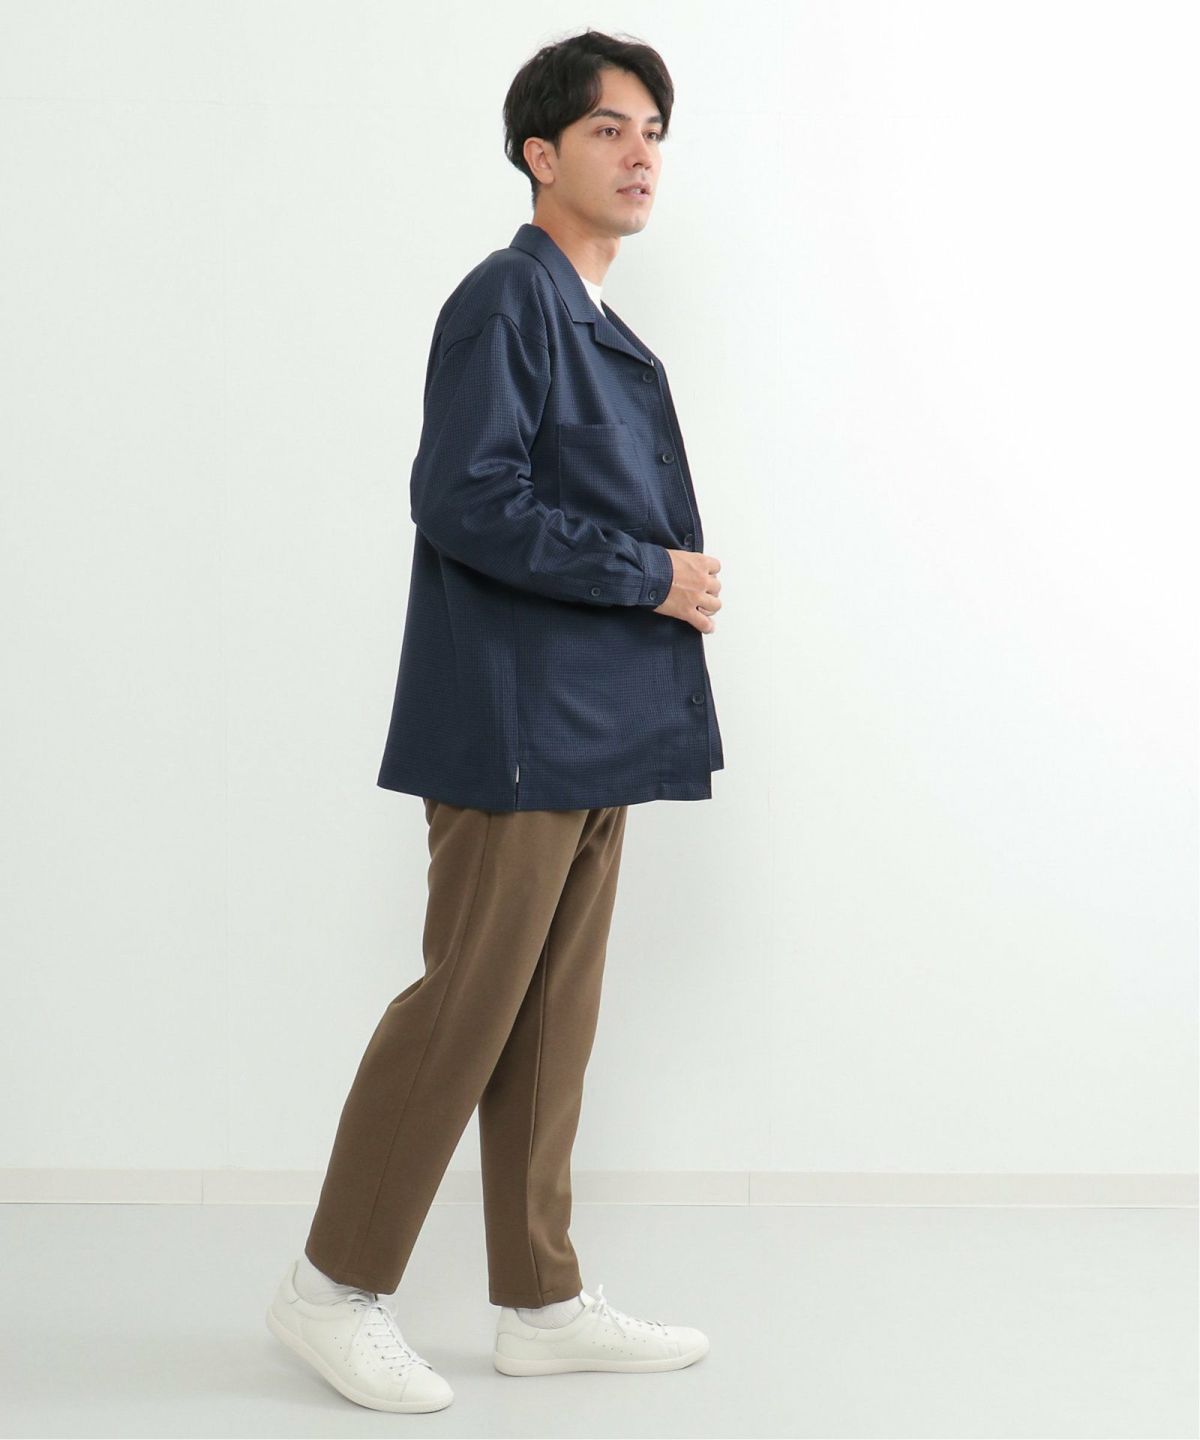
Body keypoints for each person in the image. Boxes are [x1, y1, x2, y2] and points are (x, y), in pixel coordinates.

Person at [266, 27, 723, 1414]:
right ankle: (331, 1290)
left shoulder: (598, 326)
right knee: (464, 1010)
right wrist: (650, 574)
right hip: (518, 728)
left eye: (653, 131)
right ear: (539, 152)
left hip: (596, 727)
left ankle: (539, 1299)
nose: (640, 154)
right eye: (608, 129)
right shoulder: (507, 300)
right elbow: (467, 500)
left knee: (548, 1022)